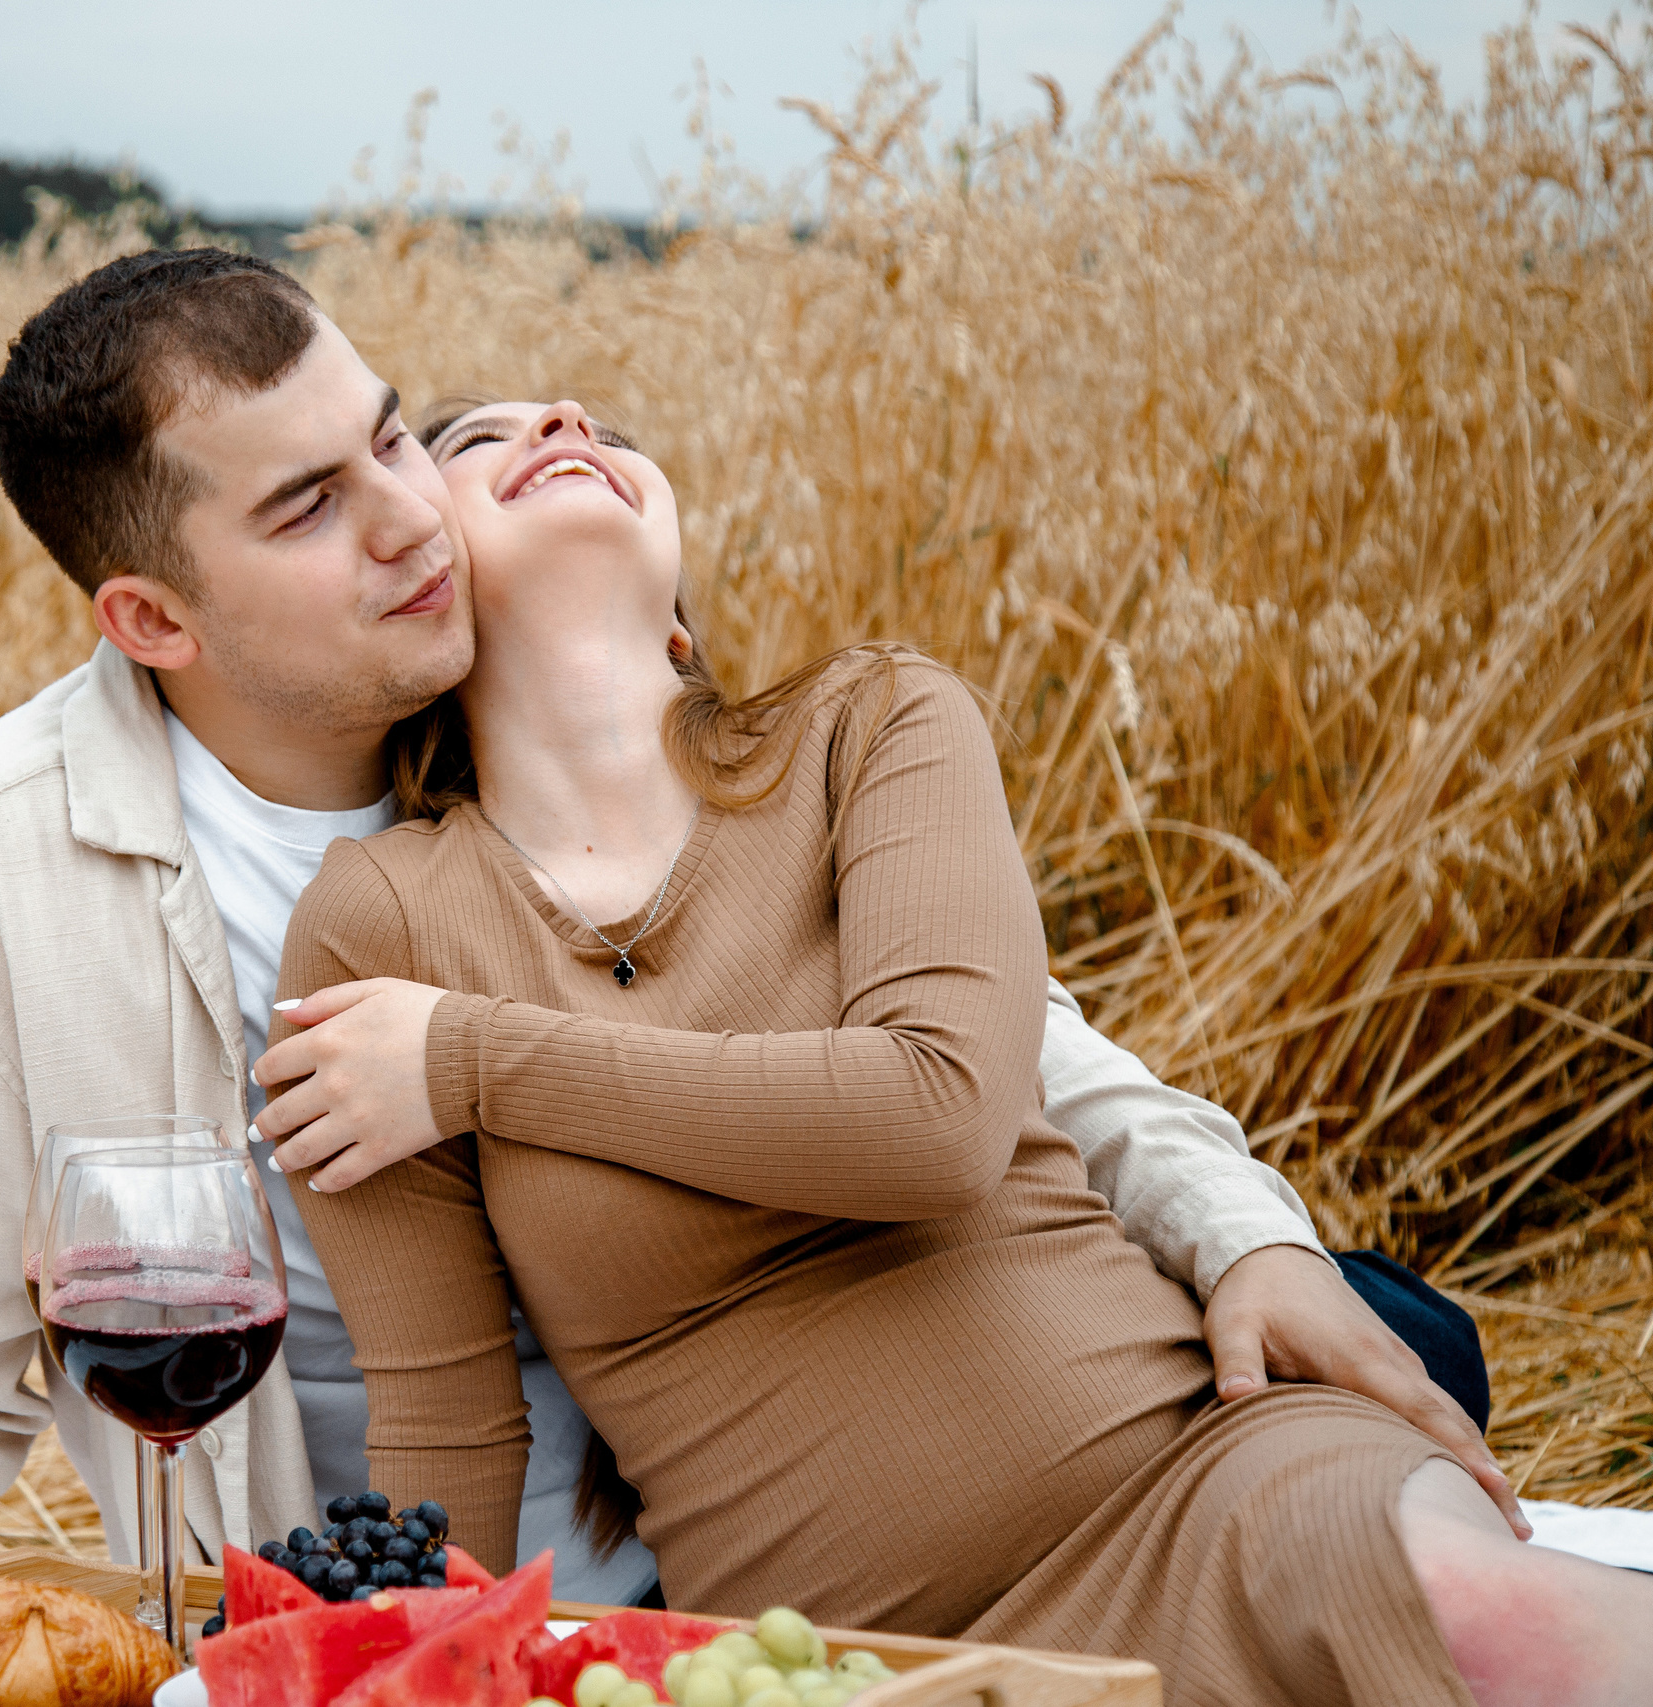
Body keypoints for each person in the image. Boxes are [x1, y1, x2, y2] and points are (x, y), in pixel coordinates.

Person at [0, 250, 1510, 1689]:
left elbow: (1001, 1051)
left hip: (928, 1376)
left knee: (1401, 1369)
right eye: (308, 506)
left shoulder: (525, 711)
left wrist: (1243, 1225)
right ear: (153, 620)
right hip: (571, 1564)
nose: (408, 520)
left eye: (399, 439)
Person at [253, 394, 1653, 1706]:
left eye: (595, 424)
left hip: (1198, 1479)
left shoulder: (871, 726)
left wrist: (476, 1059)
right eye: (481, 435)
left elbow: (936, 1118)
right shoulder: (380, 928)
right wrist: (443, 1669)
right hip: (842, 1651)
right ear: (421, 595)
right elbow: (450, 1421)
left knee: (1497, 1621)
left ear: (681, 619)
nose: (560, 422)